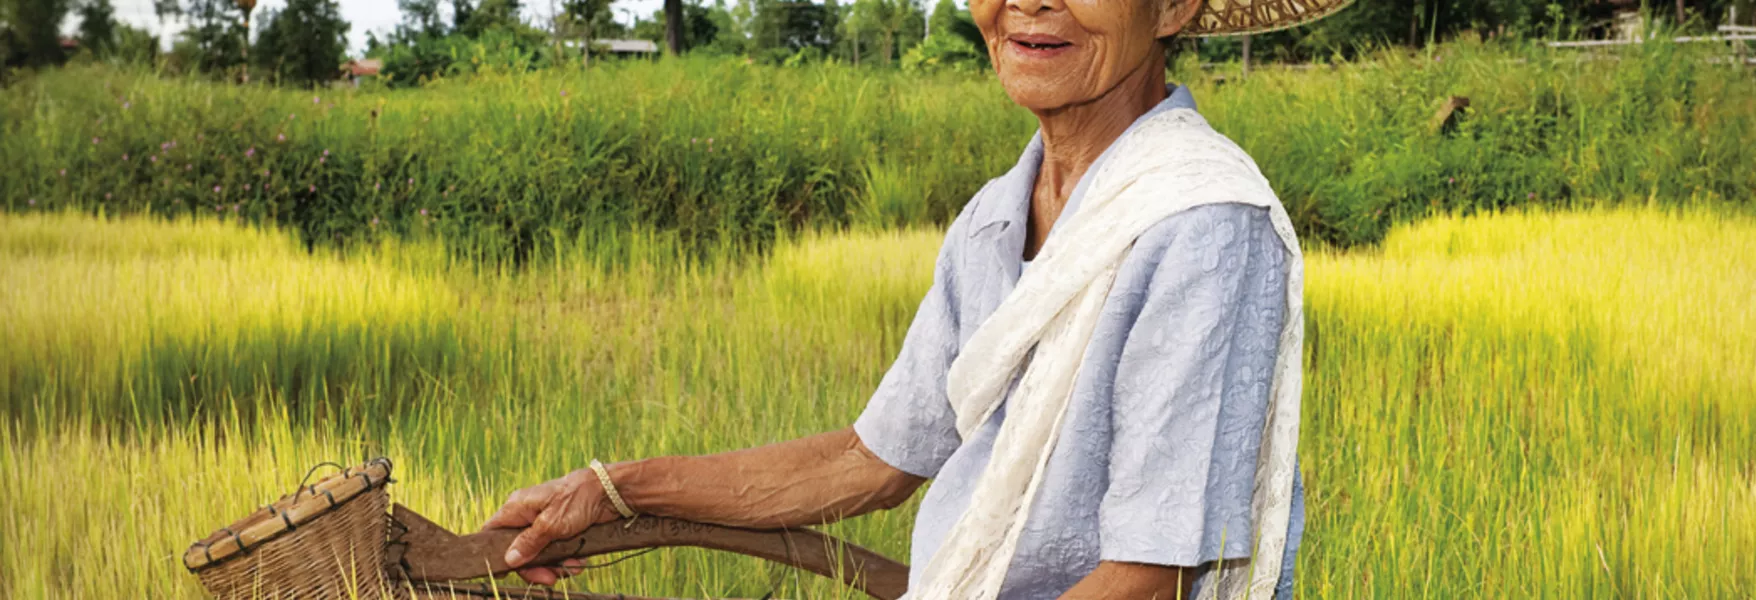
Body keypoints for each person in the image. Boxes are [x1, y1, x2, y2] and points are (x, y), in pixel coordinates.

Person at [481, 0, 1349, 596]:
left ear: (1171, 8)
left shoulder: (1201, 224)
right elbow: (872, 460)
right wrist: (613, 488)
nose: (1028, 4)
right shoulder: (991, 220)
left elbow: (1148, 574)